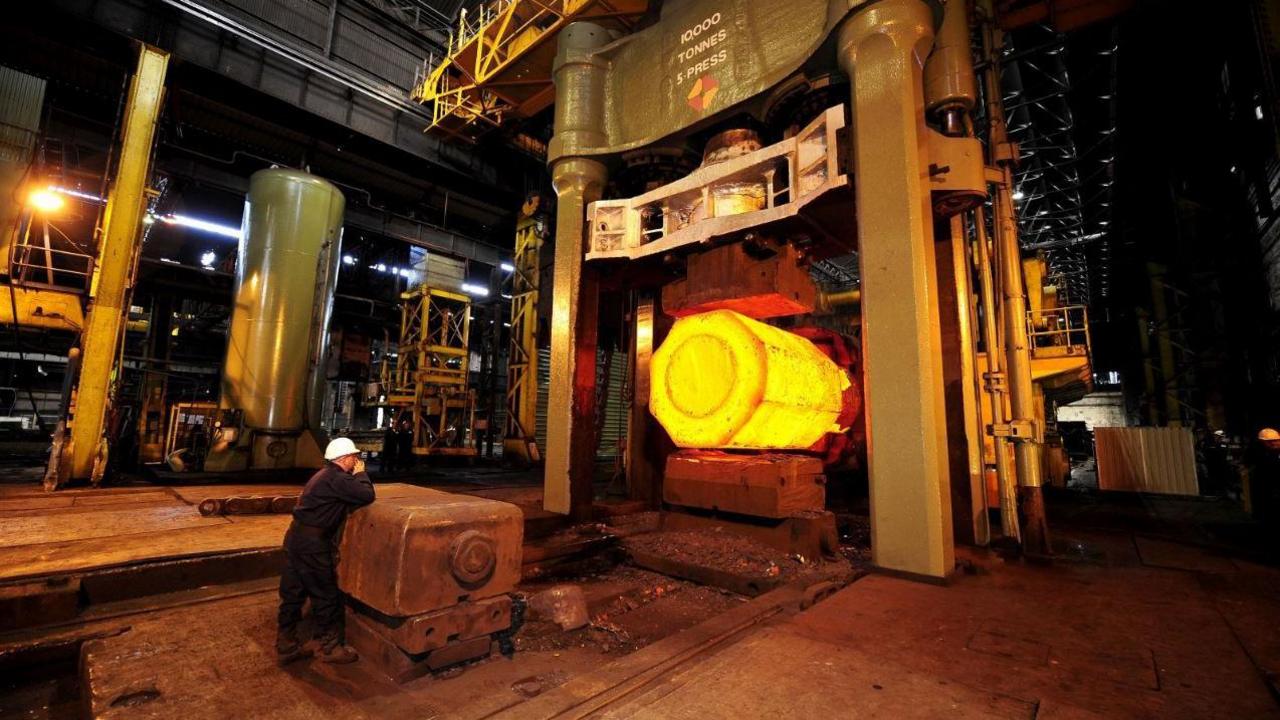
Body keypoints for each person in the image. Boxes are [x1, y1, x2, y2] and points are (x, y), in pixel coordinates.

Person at [276, 437, 375, 665]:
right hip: (312, 546)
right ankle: (331, 648)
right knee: (326, 595)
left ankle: (286, 644)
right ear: (345, 458)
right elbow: (367, 495)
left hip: (295, 540)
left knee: (293, 593)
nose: (356, 461)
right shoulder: (337, 478)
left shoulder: (322, 475)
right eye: (354, 458)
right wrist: (361, 474)